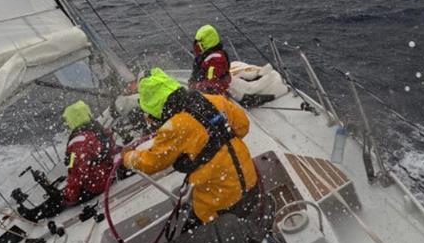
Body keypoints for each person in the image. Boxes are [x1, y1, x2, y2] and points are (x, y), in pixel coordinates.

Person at [121, 68, 259, 229]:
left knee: (189, 232)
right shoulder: (213, 99)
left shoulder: (172, 128)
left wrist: (128, 157)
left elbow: (152, 163)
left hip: (220, 203)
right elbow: (243, 126)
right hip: (250, 183)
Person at [15, 100, 116, 222]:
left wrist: (68, 196)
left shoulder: (78, 142)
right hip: (108, 175)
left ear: (71, 120)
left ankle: (33, 215)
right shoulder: (98, 130)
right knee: (62, 193)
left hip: (95, 186)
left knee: (57, 200)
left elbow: (77, 175)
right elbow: (110, 150)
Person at [189, 24, 231, 95]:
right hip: (203, 91)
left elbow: (215, 84)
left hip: (214, 96)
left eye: (200, 44)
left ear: (206, 43)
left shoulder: (217, 59)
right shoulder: (205, 57)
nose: (198, 47)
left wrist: (196, 86)